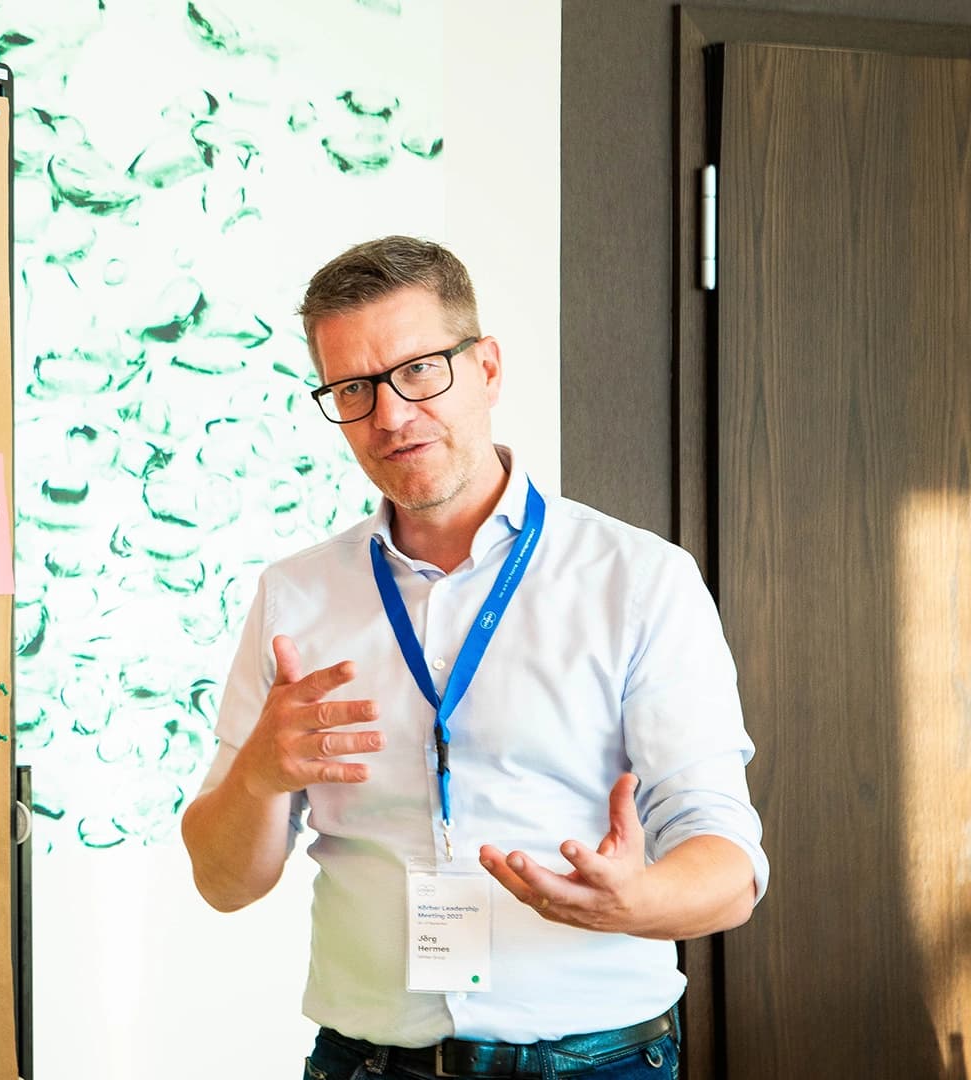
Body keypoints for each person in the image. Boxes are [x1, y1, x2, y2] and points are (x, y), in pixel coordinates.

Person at [180, 236, 767, 1080]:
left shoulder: (640, 580)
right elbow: (224, 883)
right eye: (353, 388)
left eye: (420, 370)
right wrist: (259, 779)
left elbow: (730, 867)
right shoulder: (294, 597)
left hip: (598, 1063)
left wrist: (634, 902)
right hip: (366, 1063)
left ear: (487, 368)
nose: (389, 416)